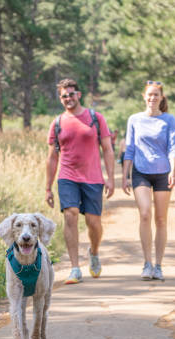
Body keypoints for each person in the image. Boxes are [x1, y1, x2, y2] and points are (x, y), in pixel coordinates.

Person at [45, 78, 115, 284]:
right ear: (61, 98)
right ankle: (74, 268)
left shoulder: (95, 118)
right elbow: (51, 157)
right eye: (64, 96)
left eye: (71, 94)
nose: (68, 98)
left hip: (93, 177)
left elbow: (108, 149)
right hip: (67, 176)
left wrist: (111, 178)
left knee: (93, 223)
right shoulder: (57, 123)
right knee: (71, 215)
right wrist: (47, 187)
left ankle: (93, 252)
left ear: (79, 95)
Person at [122, 80, 175, 281]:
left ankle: (159, 265)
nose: (153, 98)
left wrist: (173, 170)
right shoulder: (134, 119)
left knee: (161, 219)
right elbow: (129, 148)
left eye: (156, 95)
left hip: (163, 172)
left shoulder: (169, 119)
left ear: (161, 98)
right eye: (150, 94)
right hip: (141, 171)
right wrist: (126, 175)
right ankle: (147, 263)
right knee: (145, 213)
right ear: (144, 97)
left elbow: (173, 147)